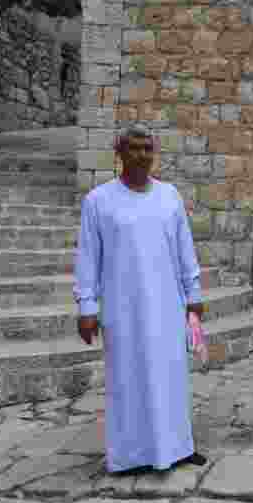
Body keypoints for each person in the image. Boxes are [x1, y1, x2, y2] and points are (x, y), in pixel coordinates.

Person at [73, 123, 208, 475]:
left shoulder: (169, 196)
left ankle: (178, 447)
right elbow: (88, 259)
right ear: (119, 152)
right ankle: (130, 456)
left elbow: (184, 250)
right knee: (127, 380)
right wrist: (87, 308)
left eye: (148, 148)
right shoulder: (98, 201)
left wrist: (194, 297)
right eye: (134, 148)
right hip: (123, 308)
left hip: (167, 306)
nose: (142, 155)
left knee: (171, 379)